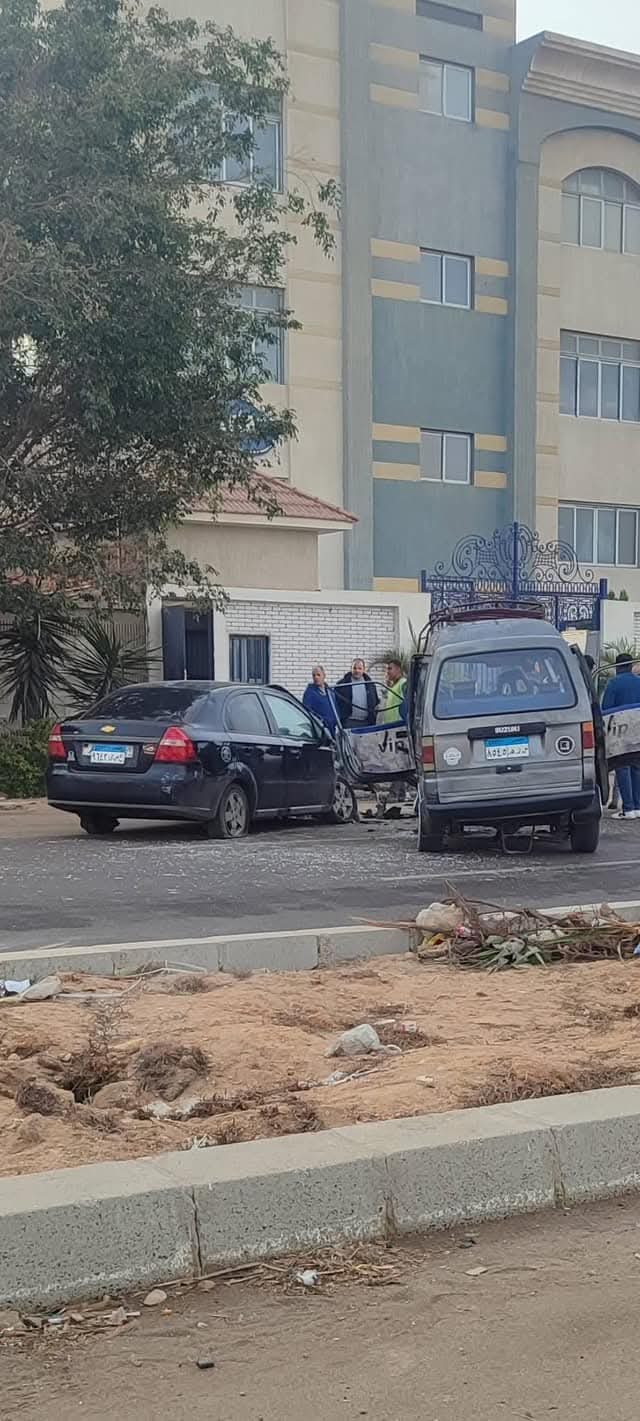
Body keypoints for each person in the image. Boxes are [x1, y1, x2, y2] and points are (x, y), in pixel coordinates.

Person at [602, 654, 640, 818]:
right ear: (631, 666)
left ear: (617, 667)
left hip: (620, 731)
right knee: (636, 766)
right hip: (637, 730)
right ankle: (638, 807)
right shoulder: (639, 681)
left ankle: (628, 809)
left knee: (622, 766)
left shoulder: (614, 683)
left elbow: (606, 708)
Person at [335, 658, 379, 728]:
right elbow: (336, 703)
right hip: (348, 722)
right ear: (351, 669)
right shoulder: (341, 684)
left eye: (359, 668)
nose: (357, 671)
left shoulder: (370, 684)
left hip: (368, 722)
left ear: (364, 670)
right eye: (354, 668)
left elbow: (376, 701)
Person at [302, 664, 339, 735]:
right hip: (320, 730)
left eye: (318, 675)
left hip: (333, 728)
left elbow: (336, 707)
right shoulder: (310, 692)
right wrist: (322, 721)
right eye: (314, 675)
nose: (316, 677)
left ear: (324, 676)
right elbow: (307, 711)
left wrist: (337, 721)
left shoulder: (330, 691)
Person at [379, 659, 408, 725]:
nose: (387, 672)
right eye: (387, 669)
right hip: (390, 725)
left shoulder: (403, 683)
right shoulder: (393, 686)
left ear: (398, 669)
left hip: (398, 726)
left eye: (390, 669)